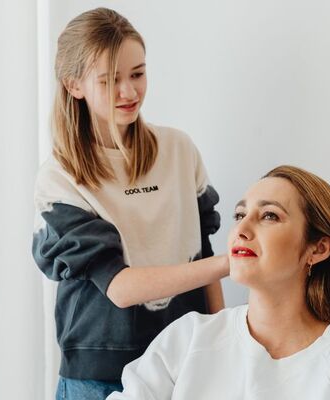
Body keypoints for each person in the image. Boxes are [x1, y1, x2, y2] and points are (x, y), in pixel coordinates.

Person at [31, 7, 228, 400]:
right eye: (109, 81)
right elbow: (119, 287)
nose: (129, 92)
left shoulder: (178, 150)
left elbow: (203, 255)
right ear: (74, 85)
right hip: (99, 379)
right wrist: (234, 261)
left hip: (184, 365)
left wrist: (223, 338)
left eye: (137, 74)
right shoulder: (60, 179)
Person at [108, 165, 330, 400]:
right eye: (239, 215)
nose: (241, 229)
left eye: (269, 216)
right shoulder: (187, 338)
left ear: (318, 249)